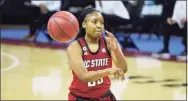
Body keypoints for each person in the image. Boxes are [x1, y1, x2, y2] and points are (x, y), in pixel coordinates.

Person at [66, 7, 128, 100]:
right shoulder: (75, 47)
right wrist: (108, 71)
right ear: (84, 24)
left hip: (105, 96)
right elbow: (84, 77)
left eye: (101, 23)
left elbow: (123, 69)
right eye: (94, 22)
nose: (99, 26)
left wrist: (116, 50)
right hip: (81, 98)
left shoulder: (108, 43)